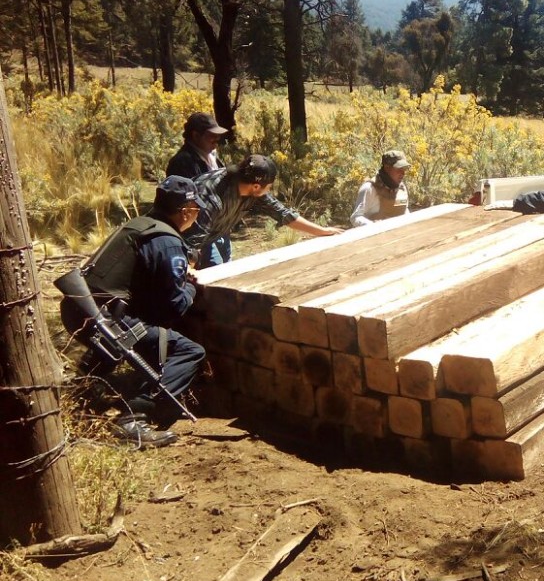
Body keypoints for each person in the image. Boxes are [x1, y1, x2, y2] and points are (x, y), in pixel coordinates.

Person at [59, 176, 208, 447]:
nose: (196, 216)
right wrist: (190, 286)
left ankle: (81, 394)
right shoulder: (167, 241)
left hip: (80, 311)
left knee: (131, 337)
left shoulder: (138, 225)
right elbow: (175, 305)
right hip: (108, 321)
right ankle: (134, 418)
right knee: (190, 352)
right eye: (195, 210)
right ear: (186, 210)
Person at [189, 154, 343, 268]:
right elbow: (190, 241)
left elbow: (284, 214)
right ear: (256, 186)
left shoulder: (251, 189)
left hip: (210, 236)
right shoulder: (211, 196)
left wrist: (323, 231)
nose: (269, 190)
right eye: (269, 186)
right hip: (182, 242)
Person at [167, 112, 231, 263]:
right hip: (202, 233)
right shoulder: (182, 162)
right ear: (195, 136)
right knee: (214, 273)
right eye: (211, 136)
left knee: (227, 270)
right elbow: (186, 202)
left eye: (218, 135)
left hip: (220, 229)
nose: (217, 140)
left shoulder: (212, 156)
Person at [350, 150, 412, 227]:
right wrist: (374, 227)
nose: (402, 173)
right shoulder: (369, 188)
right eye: (399, 169)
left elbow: (405, 211)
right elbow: (356, 217)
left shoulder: (402, 188)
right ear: (387, 168)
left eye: (404, 169)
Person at [166, 112, 228, 180]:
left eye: (218, 135)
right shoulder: (181, 163)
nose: (217, 138)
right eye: (212, 135)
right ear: (196, 136)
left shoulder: (212, 158)